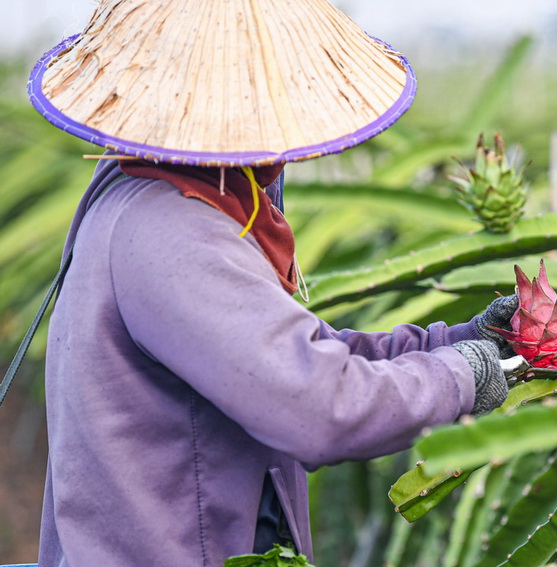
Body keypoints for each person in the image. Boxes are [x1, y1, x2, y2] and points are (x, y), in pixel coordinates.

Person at [26, 1, 518, 565]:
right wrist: (462, 375)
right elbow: (318, 405)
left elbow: (289, 355)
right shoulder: (176, 231)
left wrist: (452, 342)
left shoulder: (145, 190)